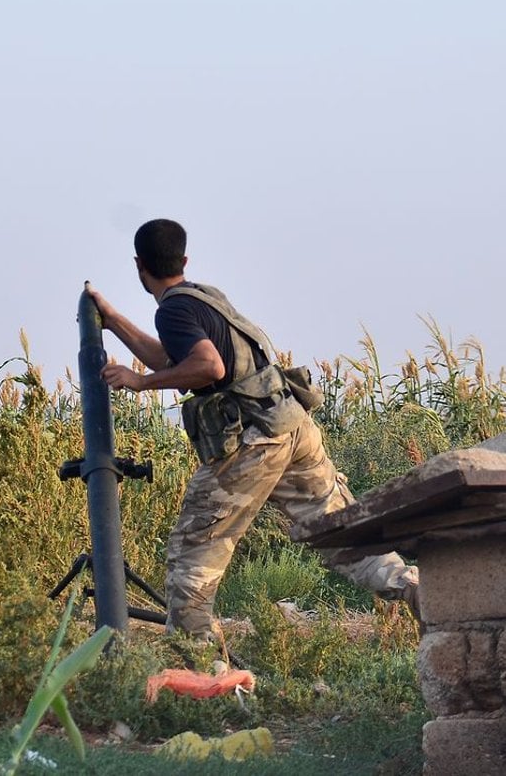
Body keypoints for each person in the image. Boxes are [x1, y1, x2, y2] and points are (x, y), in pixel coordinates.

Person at [87, 218, 420, 640]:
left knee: (193, 556)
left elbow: (209, 366)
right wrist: (113, 319)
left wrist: (140, 382)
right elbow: (170, 358)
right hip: (291, 425)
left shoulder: (173, 309)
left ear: (139, 265)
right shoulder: (203, 299)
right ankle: (422, 594)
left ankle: (198, 668)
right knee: (338, 530)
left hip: (254, 442)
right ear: (184, 259)